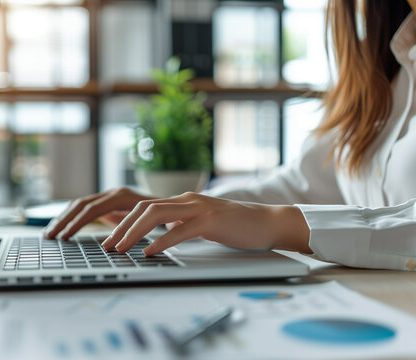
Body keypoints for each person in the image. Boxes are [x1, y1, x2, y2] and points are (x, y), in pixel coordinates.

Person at [45, 0, 416, 271]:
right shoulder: (389, 74)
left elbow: (280, 212)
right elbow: (300, 186)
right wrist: (180, 208)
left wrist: (273, 224)